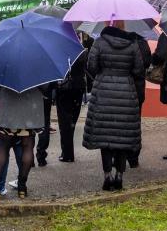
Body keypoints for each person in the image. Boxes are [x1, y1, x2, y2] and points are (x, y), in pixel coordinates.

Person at [82, 24, 144, 191]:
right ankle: (119, 175)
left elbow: (92, 67)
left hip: (103, 94)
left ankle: (107, 176)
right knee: (122, 138)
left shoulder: (99, 42)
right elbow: (139, 70)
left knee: (105, 139)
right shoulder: (132, 44)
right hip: (126, 94)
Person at [0, 85, 45, 199]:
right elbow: (45, 88)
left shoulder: (4, 72)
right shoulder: (36, 73)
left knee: (3, 148)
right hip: (29, 109)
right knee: (27, 148)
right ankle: (22, 188)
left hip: (8, 106)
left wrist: (2, 98)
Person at [55, 41, 90, 162]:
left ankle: (67, 153)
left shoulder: (59, 49)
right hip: (78, 87)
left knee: (64, 121)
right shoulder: (81, 50)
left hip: (64, 88)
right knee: (72, 120)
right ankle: (67, 151)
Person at [126, 32, 151, 169]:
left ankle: (119, 155)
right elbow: (146, 62)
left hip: (123, 88)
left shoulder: (118, 41)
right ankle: (133, 157)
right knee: (135, 123)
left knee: (120, 123)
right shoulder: (142, 42)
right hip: (137, 88)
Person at [35, 86, 54, 167]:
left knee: (30, 126)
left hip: (30, 93)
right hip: (45, 92)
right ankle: (41, 156)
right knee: (45, 124)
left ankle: (29, 157)